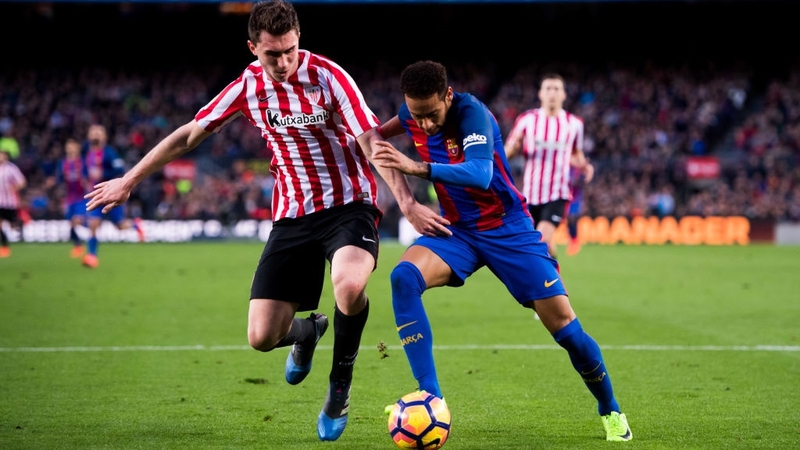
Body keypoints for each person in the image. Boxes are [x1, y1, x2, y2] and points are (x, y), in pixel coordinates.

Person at [84, 0, 421, 442]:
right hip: (292, 215)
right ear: (253, 48)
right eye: (272, 54)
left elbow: (371, 140)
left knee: (349, 284)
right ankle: (308, 331)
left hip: (349, 205)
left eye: (290, 51)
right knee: (262, 336)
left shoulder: (329, 77)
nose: (283, 62)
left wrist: (407, 203)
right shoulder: (247, 87)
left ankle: (339, 384)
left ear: (299, 40)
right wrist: (129, 180)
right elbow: (188, 136)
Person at [370, 60, 631, 442]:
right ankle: (431, 396)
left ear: (448, 95)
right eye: (416, 115)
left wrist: (417, 168)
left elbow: (480, 174)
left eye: (431, 114)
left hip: (508, 229)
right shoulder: (412, 113)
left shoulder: (472, 114)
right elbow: (372, 135)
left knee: (567, 330)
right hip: (458, 230)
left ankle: (610, 408)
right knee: (403, 277)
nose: (423, 124)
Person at [504, 73, 593, 260]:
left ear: (564, 94)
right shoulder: (526, 120)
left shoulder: (574, 124)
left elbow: (575, 154)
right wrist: (513, 148)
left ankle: (550, 273)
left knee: (543, 240)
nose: (552, 93)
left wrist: (585, 166)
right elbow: (507, 152)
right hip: (530, 194)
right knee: (535, 246)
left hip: (557, 193)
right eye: (548, 89)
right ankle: (552, 270)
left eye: (556, 89)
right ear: (540, 94)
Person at [82, 123, 145, 268]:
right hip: (96, 195)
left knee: (120, 226)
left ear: (104, 137)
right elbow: (85, 172)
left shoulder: (109, 153)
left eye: (98, 132)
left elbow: (120, 169)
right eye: (93, 132)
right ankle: (92, 256)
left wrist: (103, 173)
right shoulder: (87, 154)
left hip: (111, 193)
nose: (95, 135)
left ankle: (135, 225)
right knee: (93, 223)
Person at [56, 138, 90, 258]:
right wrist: (61, 198)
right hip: (69, 198)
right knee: (71, 224)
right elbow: (59, 180)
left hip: (82, 197)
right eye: (68, 147)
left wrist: (87, 184)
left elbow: (89, 177)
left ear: (77, 148)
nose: (70, 149)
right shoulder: (63, 163)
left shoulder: (83, 162)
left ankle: (79, 245)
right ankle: (78, 246)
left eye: (72, 146)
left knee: (76, 221)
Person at [0, 148, 27, 258]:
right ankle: (5, 247)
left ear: (6, 156)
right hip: (0, 202)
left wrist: (14, 188)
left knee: (13, 224)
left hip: (10, 202)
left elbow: (22, 182)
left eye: (1, 155)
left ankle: (20, 223)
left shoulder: (11, 168)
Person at [566, 162, 593, 256]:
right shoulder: (567, 168)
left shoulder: (579, 170)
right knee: (568, 219)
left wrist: (579, 176)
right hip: (566, 198)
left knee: (572, 217)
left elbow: (582, 182)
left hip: (575, 199)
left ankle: (575, 240)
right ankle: (572, 239)